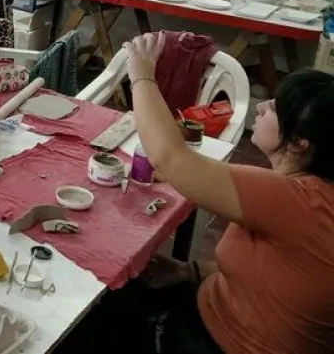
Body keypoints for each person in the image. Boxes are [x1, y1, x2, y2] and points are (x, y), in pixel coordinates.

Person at [57, 32, 334, 354]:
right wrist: (189, 271)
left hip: (216, 341)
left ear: (301, 143)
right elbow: (283, 276)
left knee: (75, 324)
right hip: (208, 306)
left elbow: (171, 158)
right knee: (110, 285)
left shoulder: (296, 201)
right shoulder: (310, 196)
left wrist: (142, 75)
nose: (262, 108)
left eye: (276, 107)